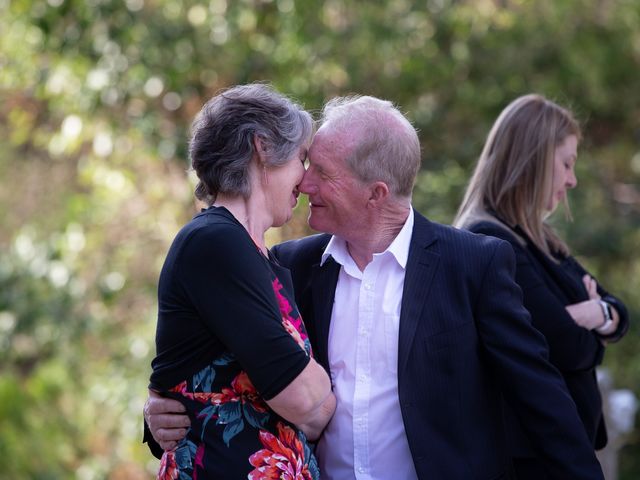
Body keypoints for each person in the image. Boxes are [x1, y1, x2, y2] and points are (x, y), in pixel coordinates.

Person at [145, 95, 605, 479]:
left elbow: (541, 400)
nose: (304, 182)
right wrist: (156, 415)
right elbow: (214, 367)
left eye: (321, 171)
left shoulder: (473, 265)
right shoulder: (290, 265)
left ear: (376, 193)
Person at [147, 83, 336, 479]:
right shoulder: (214, 242)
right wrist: (314, 385)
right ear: (262, 147)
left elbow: (317, 414)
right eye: (302, 158)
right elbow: (306, 401)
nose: (304, 180)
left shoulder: (259, 256)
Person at [454, 93, 629, 479]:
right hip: (530, 459)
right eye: (567, 164)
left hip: (556, 453)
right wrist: (596, 323)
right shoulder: (491, 241)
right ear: (532, 158)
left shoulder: (537, 238)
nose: (572, 179)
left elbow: (621, 312)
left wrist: (597, 311)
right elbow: (567, 346)